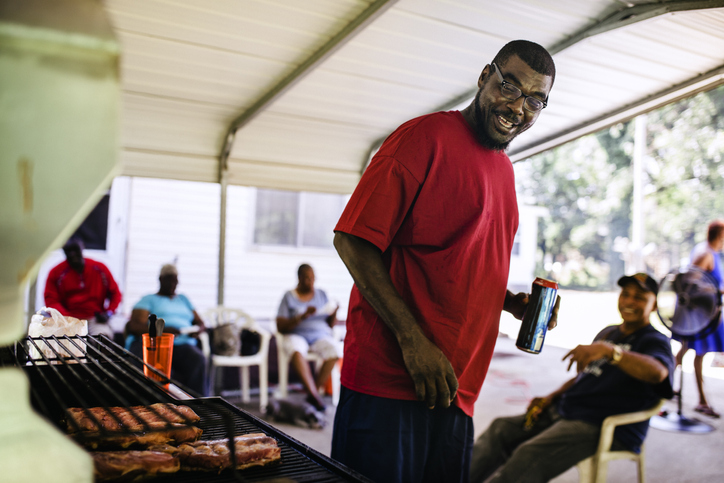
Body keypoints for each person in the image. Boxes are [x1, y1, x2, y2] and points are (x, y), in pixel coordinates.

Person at [331, 40, 557, 482]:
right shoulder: (422, 138)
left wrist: (511, 304)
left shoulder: (504, 171)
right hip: (389, 384)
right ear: (484, 76)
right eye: (509, 86)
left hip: (457, 390)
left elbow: (461, 266)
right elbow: (353, 240)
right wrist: (413, 341)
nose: (518, 107)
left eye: (535, 100)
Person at [470, 273, 674, 483]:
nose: (630, 301)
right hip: (568, 409)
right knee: (500, 429)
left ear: (655, 304)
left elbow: (658, 373)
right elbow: (585, 377)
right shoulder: (609, 333)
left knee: (529, 455)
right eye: (626, 294)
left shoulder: (655, 340)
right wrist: (551, 397)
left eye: (639, 297)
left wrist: (612, 352)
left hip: (602, 424)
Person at [125, 264, 207, 395]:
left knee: (198, 359)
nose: (172, 284)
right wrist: (162, 331)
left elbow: (200, 322)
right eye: (168, 279)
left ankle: (197, 404)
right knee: (155, 365)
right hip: (154, 343)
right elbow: (135, 326)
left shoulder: (183, 299)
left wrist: (197, 330)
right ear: (160, 279)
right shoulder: (149, 299)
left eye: (175, 280)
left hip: (181, 344)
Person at [673, 219, 724, 418]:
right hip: (696, 314)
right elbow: (688, 282)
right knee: (698, 354)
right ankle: (702, 401)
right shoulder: (705, 254)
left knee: (685, 352)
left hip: (703, 312)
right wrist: (716, 290)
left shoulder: (709, 251)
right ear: (719, 235)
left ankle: (663, 383)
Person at [276, 264, 341, 412]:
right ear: (299, 278)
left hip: (320, 335)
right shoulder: (289, 297)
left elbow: (330, 325)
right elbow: (280, 326)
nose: (310, 282)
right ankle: (315, 396)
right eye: (306, 278)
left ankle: (313, 392)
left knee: (336, 351)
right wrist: (302, 316)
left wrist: (335, 312)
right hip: (297, 334)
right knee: (296, 351)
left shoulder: (322, 294)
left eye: (312, 278)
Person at [44, 238, 122, 338]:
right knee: (66, 343)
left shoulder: (99, 268)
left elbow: (115, 293)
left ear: (82, 248)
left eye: (75, 250)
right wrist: (66, 318)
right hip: (68, 319)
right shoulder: (56, 272)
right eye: (68, 251)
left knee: (103, 339)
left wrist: (109, 313)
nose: (72, 254)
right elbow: (51, 300)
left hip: (95, 318)